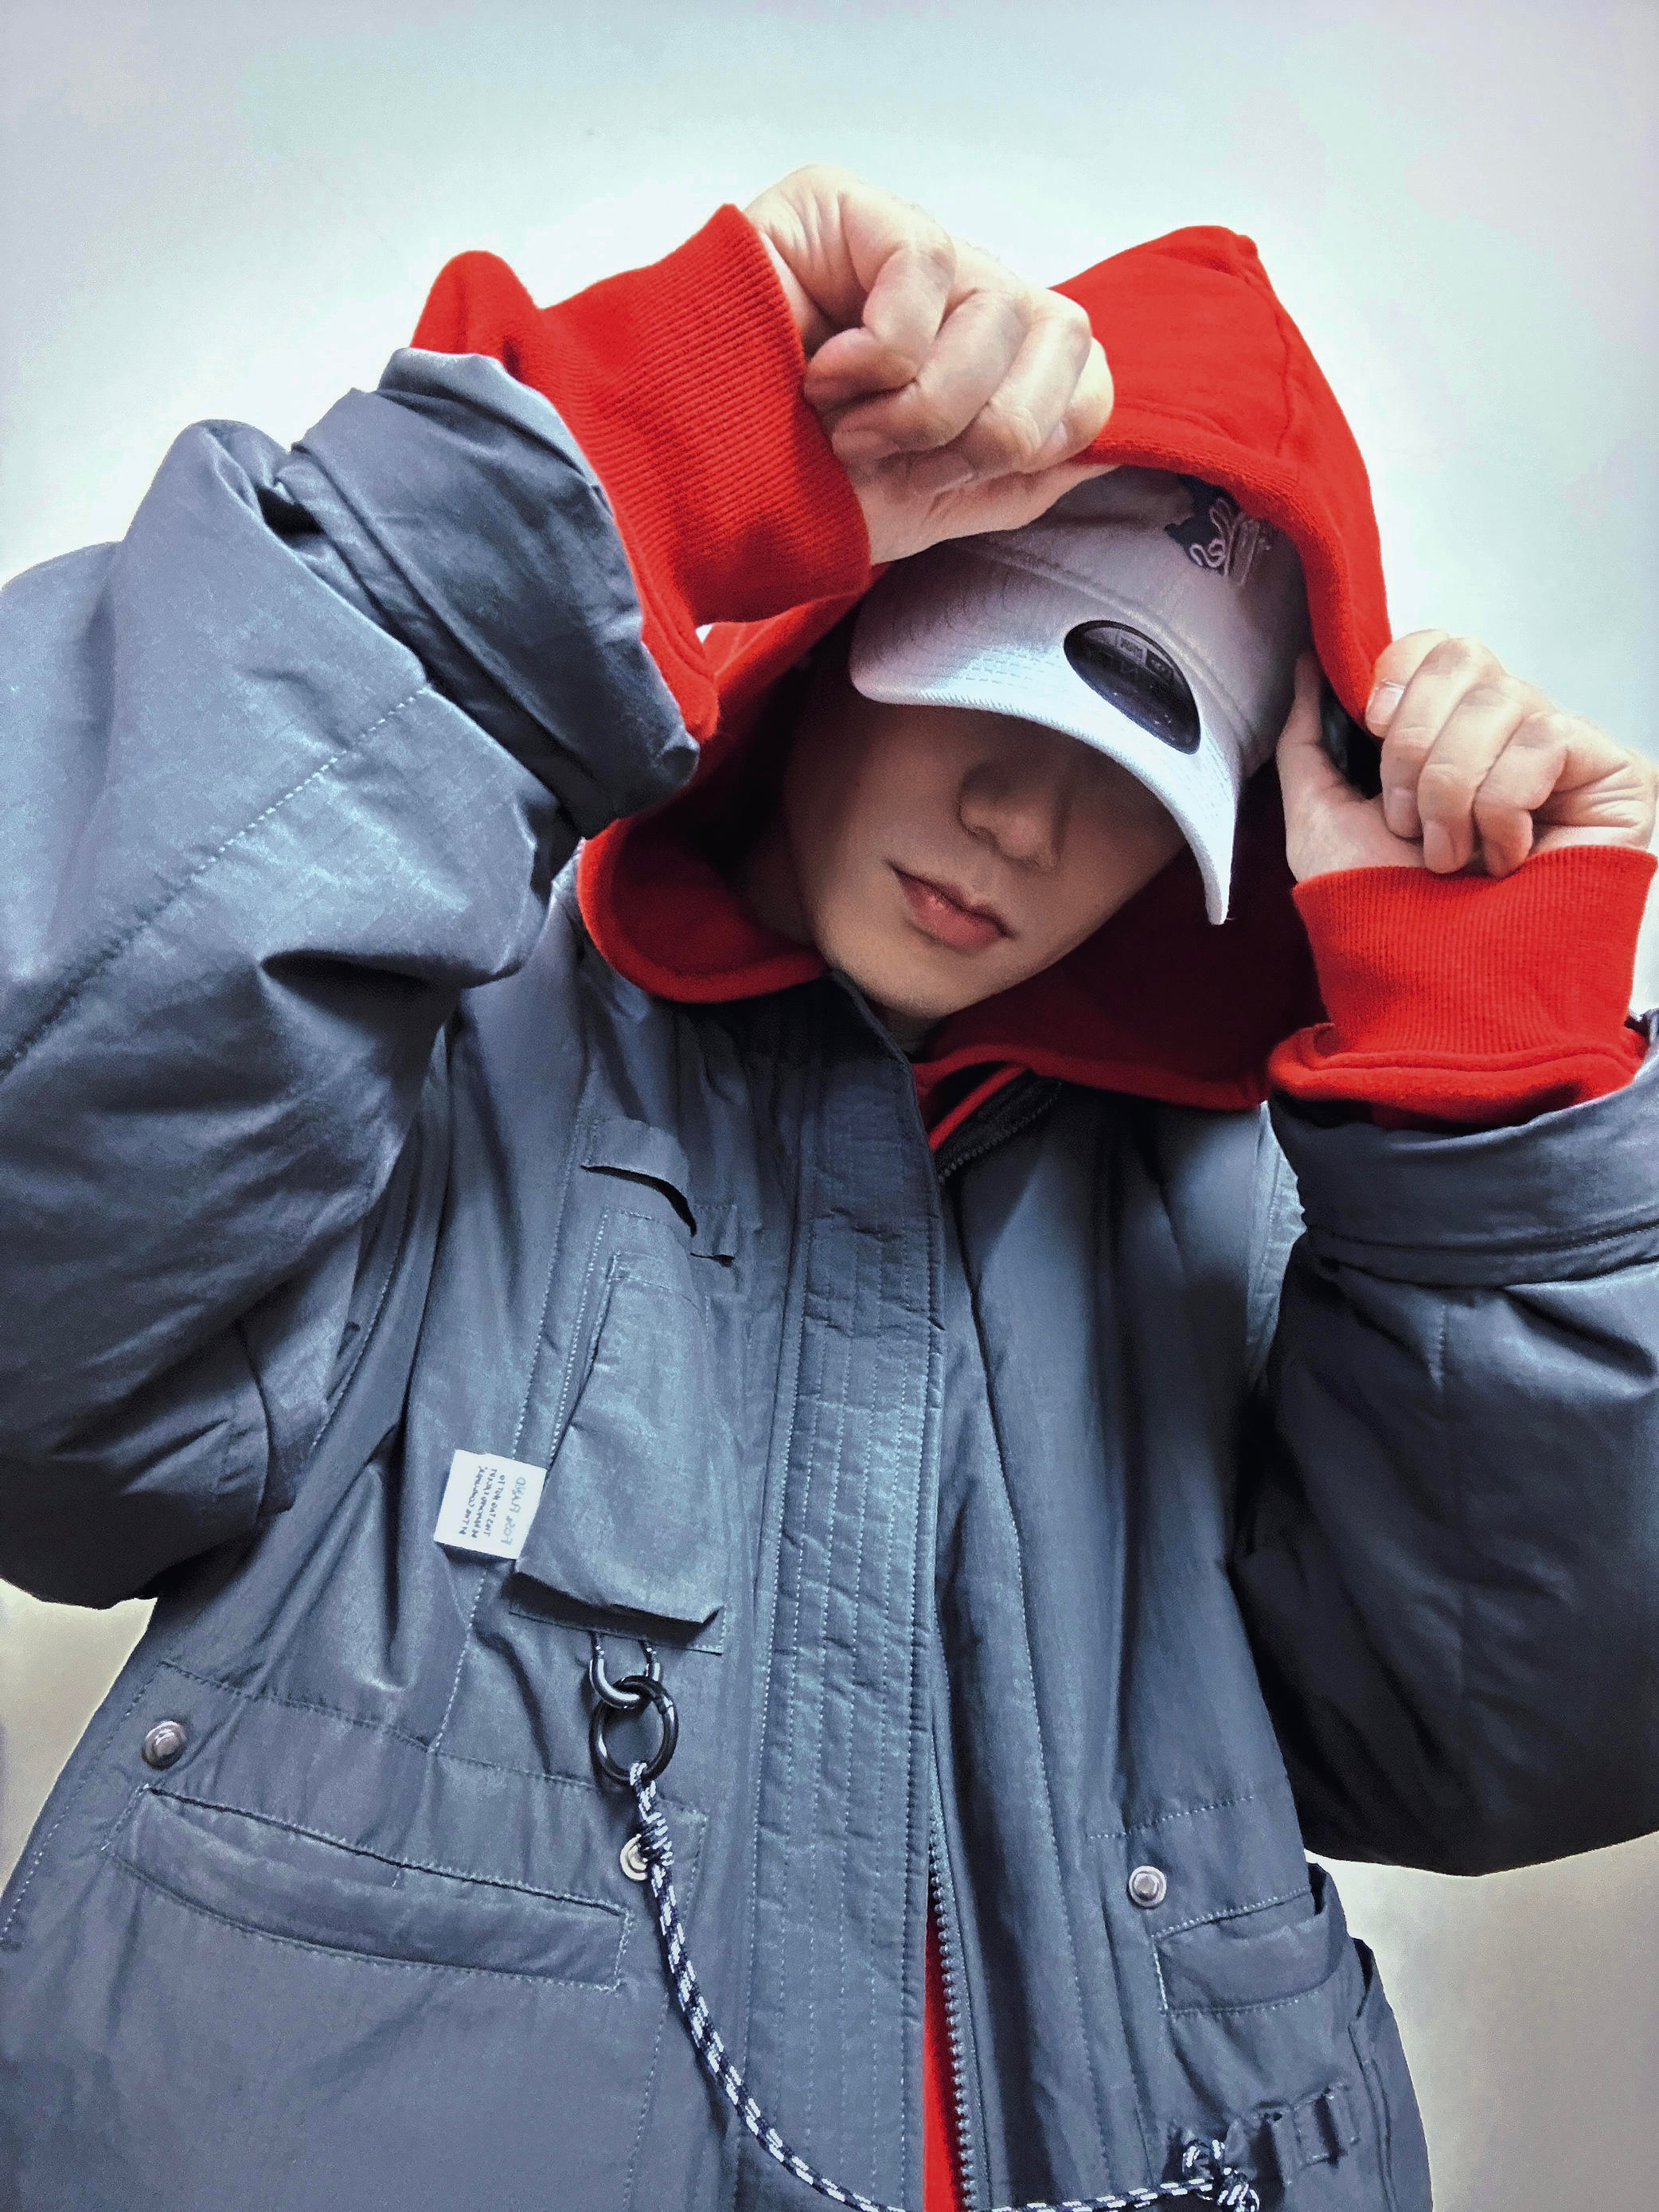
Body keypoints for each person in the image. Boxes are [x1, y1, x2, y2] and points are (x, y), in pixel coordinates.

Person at [0, 162, 1655, 2212]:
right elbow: (41, 1334)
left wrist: (1496, 1090)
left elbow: (1500, 1738)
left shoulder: (1259, 1206)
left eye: (1132, 786)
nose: (1020, 819)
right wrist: (524, 530)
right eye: (989, 684)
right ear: (844, 632)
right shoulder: (435, 1027)